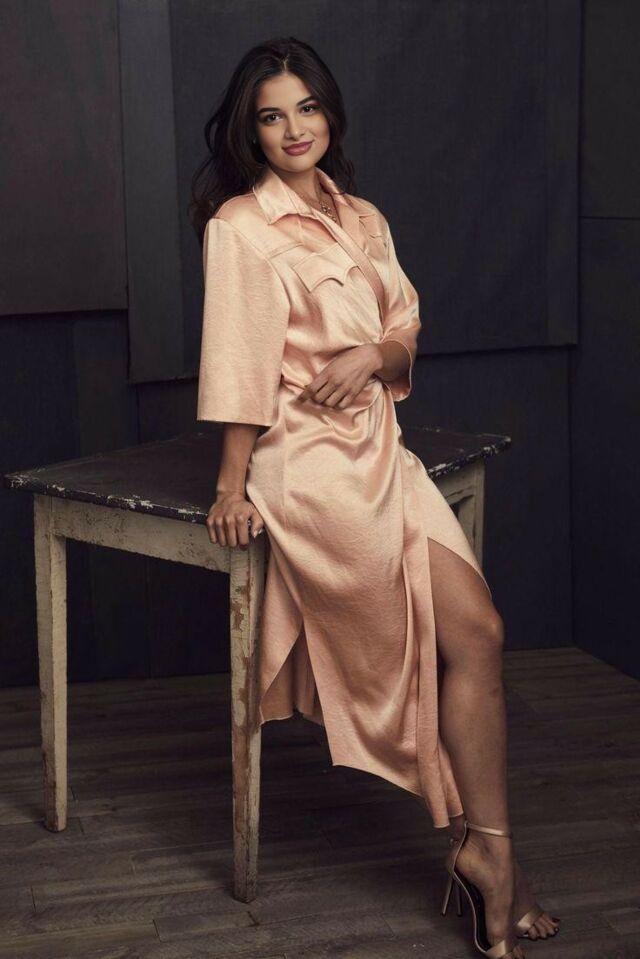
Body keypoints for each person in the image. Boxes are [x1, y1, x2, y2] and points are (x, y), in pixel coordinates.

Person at [190, 35, 560, 959]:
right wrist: (231, 485)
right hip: (307, 466)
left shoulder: (362, 216)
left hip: (380, 448)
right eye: (271, 116)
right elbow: (237, 362)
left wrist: (370, 355)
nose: (293, 129)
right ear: (250, 132)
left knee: (478, 631)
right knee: (430, 641)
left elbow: (405, 327)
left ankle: (489, 851)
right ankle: (493, 862)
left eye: (306, 107)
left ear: (330, 112)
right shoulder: (241, 226)